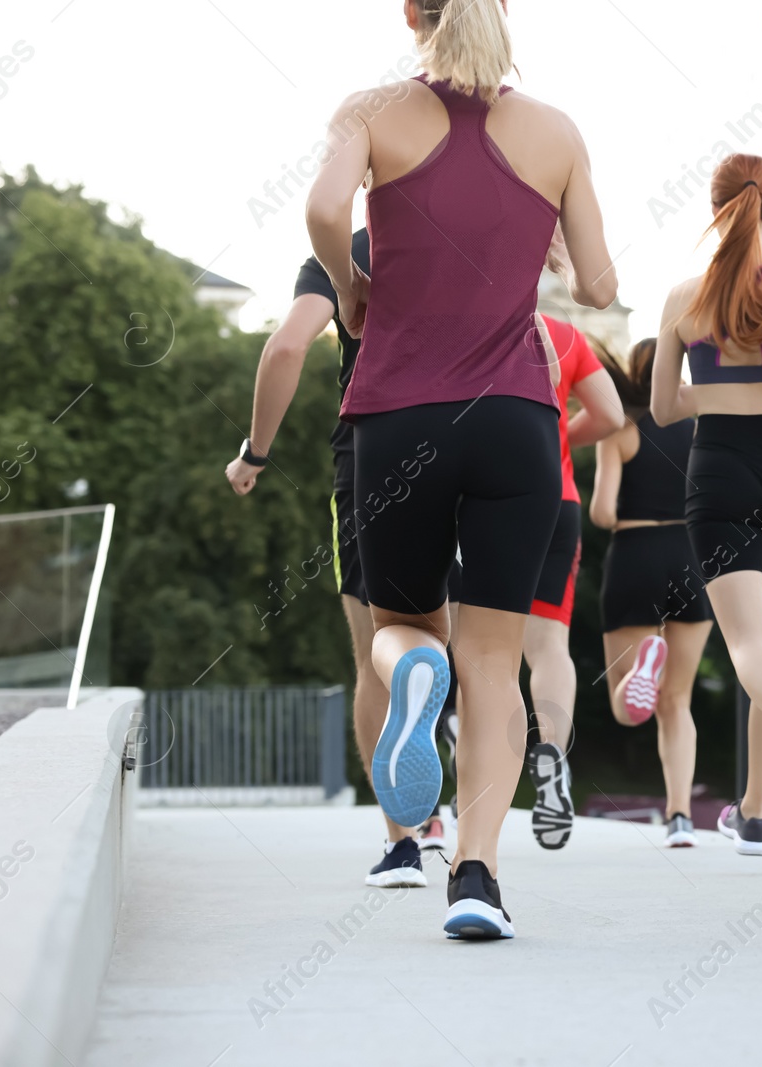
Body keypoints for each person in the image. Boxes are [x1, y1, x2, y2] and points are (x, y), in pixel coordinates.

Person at [305, 0, 615, 940]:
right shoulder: (555, 131)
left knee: (398, 630)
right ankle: (475, 877)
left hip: (397, 417)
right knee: (496, 663)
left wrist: (351, 291)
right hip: (518, 425)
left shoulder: (369, 111)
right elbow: (600, 288)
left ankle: (416, 670)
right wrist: (549, 243)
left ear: (412, 12)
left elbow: (324, 210)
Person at [222, 227, 452, 890]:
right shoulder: (477, 231)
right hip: (475, 442)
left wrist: (255, 453)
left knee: (377, 652)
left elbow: (288, 344)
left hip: (374, 445)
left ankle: (402, 843)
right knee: (469, 647)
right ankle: (475, 859)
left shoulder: (351, 249)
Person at [649, 153, 762, 859]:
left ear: (717, 206)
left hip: (721, 470)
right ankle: (756, 814)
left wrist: (716, 392)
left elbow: (665, 407)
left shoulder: (682, 299)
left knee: (750, 648)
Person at [592, 339, 715, 848]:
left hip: (635, 553)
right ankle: (681, 816)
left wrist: (627, 517)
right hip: (689, 554)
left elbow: (601, 511)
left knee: (626, 704)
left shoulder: (619, 431)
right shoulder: (703, 426)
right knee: (677, 700)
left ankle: (639, 670)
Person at [525, 315, 625, 851]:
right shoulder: (563, 333)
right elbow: (609, 413)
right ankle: (552, 756)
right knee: (548, 650)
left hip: (482, 507)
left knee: (481, 651)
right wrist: (559, 434)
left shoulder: (462, 320)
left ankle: (463, 799)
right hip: (556, 500)